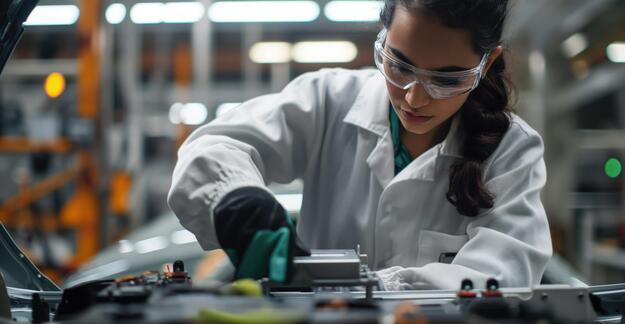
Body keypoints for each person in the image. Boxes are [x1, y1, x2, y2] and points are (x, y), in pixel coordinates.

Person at [168, 0, 552, 290]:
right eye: (399, 66)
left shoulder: (512, 151)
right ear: (383, 39)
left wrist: (372, 289)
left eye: (446, 79)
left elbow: (501, 277)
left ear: (486, 65)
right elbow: (213, 147)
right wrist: (238, 201)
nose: (414, 98)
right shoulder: (327, 101)